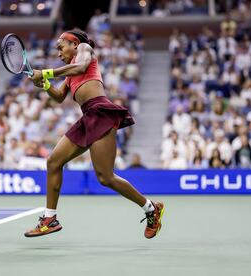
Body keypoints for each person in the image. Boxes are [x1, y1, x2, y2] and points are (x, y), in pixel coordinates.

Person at [25, 29, 164, 239]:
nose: (58, 53)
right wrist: (44, 84)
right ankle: (49, 218)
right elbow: (59, 97)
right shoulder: (69, 75)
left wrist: (46, 73)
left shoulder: (84, 49)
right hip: (87, 116)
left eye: (60, 47)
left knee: (105, 177)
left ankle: (151, 208)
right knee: (53, 162)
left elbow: (79, 66)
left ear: (74, 44)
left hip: (100, 112)